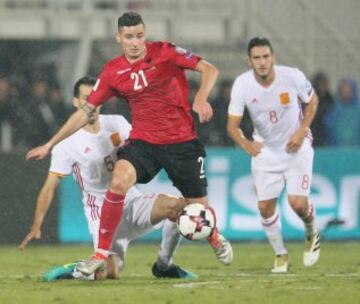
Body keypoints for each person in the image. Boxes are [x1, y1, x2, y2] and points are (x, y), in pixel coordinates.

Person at [26, 12, 233, 276]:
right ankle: (99, 253)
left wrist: (201, 98)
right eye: (129, 37)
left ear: (144, 34)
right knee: (119, 180)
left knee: (197, 209)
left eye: (139, 36)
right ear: (119, 38)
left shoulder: (166, 52)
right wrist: (50, 143)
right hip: (145, 141)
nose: (135, 42)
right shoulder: (113, 71)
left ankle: (211, 237)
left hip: (182, 143)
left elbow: (210, 69)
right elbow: (86, 110)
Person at [20, 76, 197, 281]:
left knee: (181, 207)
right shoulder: (66, 143)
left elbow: (144, 150)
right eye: (86, 98)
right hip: (100, 209)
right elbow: (49, 187)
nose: (91, 104)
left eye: (95, 97)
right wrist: (36, 224)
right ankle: (77, 267)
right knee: (109, 273)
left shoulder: (117, 123)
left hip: (130, 200)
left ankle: (164, 266)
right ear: (75, 102)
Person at [227, 37, 320, 273]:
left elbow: (312, 101)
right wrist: (246, 144)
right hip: (266, 151)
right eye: (256, 58)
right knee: (265, 207)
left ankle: (311, 230)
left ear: (273, 57)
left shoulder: (292, 76)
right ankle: (281, 255)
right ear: (249, 61)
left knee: (297, 204)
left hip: (296, 148)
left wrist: (302, 131)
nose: (262, 62)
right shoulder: (242, 84)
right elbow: (232, 125)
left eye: (266, 56)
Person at [323, 77, 360, 146]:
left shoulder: (358, 109)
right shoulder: (334, 109)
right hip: (338, 150)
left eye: (348, 90)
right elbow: (328, 128)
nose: (346, 93)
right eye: (344, 91)